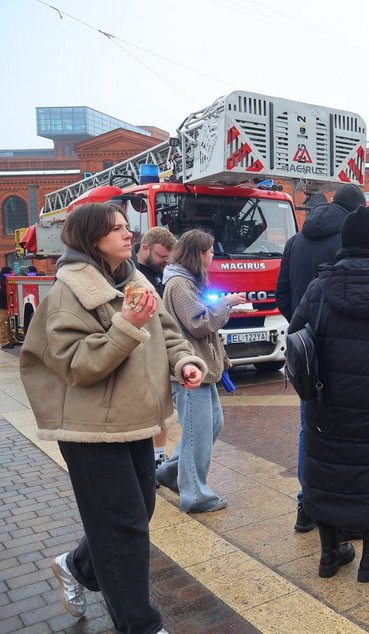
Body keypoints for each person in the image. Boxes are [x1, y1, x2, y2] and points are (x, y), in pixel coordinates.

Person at [19, 202, 205, 633]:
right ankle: (139, 625)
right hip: (89, 429)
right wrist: (124, 326)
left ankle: (77, 567)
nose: (129, 235)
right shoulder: (68, 291)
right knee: (123, 529)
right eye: (116, 229)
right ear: (91, 240)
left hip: (135, 419)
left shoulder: (137, 280)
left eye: (127, 226)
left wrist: (183, 363)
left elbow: (169, 334)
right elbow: (76, 364)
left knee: (137, 512)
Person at [288, 206, 369, 582]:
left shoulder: (319, 288)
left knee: (326, 473)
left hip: (325, 405)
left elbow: (295, 340)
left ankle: (331, 553)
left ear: (345, 242)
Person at [275, 183, 366, 533]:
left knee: (308, 430)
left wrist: (302, 328)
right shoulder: (347, 241)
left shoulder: (294, 241)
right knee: (347, 434)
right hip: (343, 352)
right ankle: (343, 513)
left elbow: (282, 294)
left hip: (306, 353)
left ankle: (306, 508)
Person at [156, 229, 245, 513]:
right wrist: (226, 303)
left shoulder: (183, 281)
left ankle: (171, 472)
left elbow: (198, 316)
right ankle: (196, 495)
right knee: (198, 432)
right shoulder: (180, 284)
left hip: (200, 367)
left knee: (210, 425)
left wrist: (225, 308)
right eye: (209, 251)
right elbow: (198, 323)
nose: (213, 256)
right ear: (198, 254)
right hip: (191, 369)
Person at [134, 227, 178, 472]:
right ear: (145, 248)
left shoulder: (159, 271)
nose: (165, 262)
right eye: (162, 257)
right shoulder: (130, 273)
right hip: (139, 349)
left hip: (158, 348)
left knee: (160, 408)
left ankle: (158, 457)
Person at [134, 227, 176, 296]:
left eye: (169, 258)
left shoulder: (163, 269)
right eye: (163, 257)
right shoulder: (126, 272)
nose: (167, 262)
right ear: (145, 249)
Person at [0, 266, 17, 349]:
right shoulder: (1, 280)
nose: (11, 274)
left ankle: (12, 339)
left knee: (9, 323)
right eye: (9, 273)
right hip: (2, 305)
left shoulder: (7, 279)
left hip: (7, 305)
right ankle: (4, 342)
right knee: (3, 323)